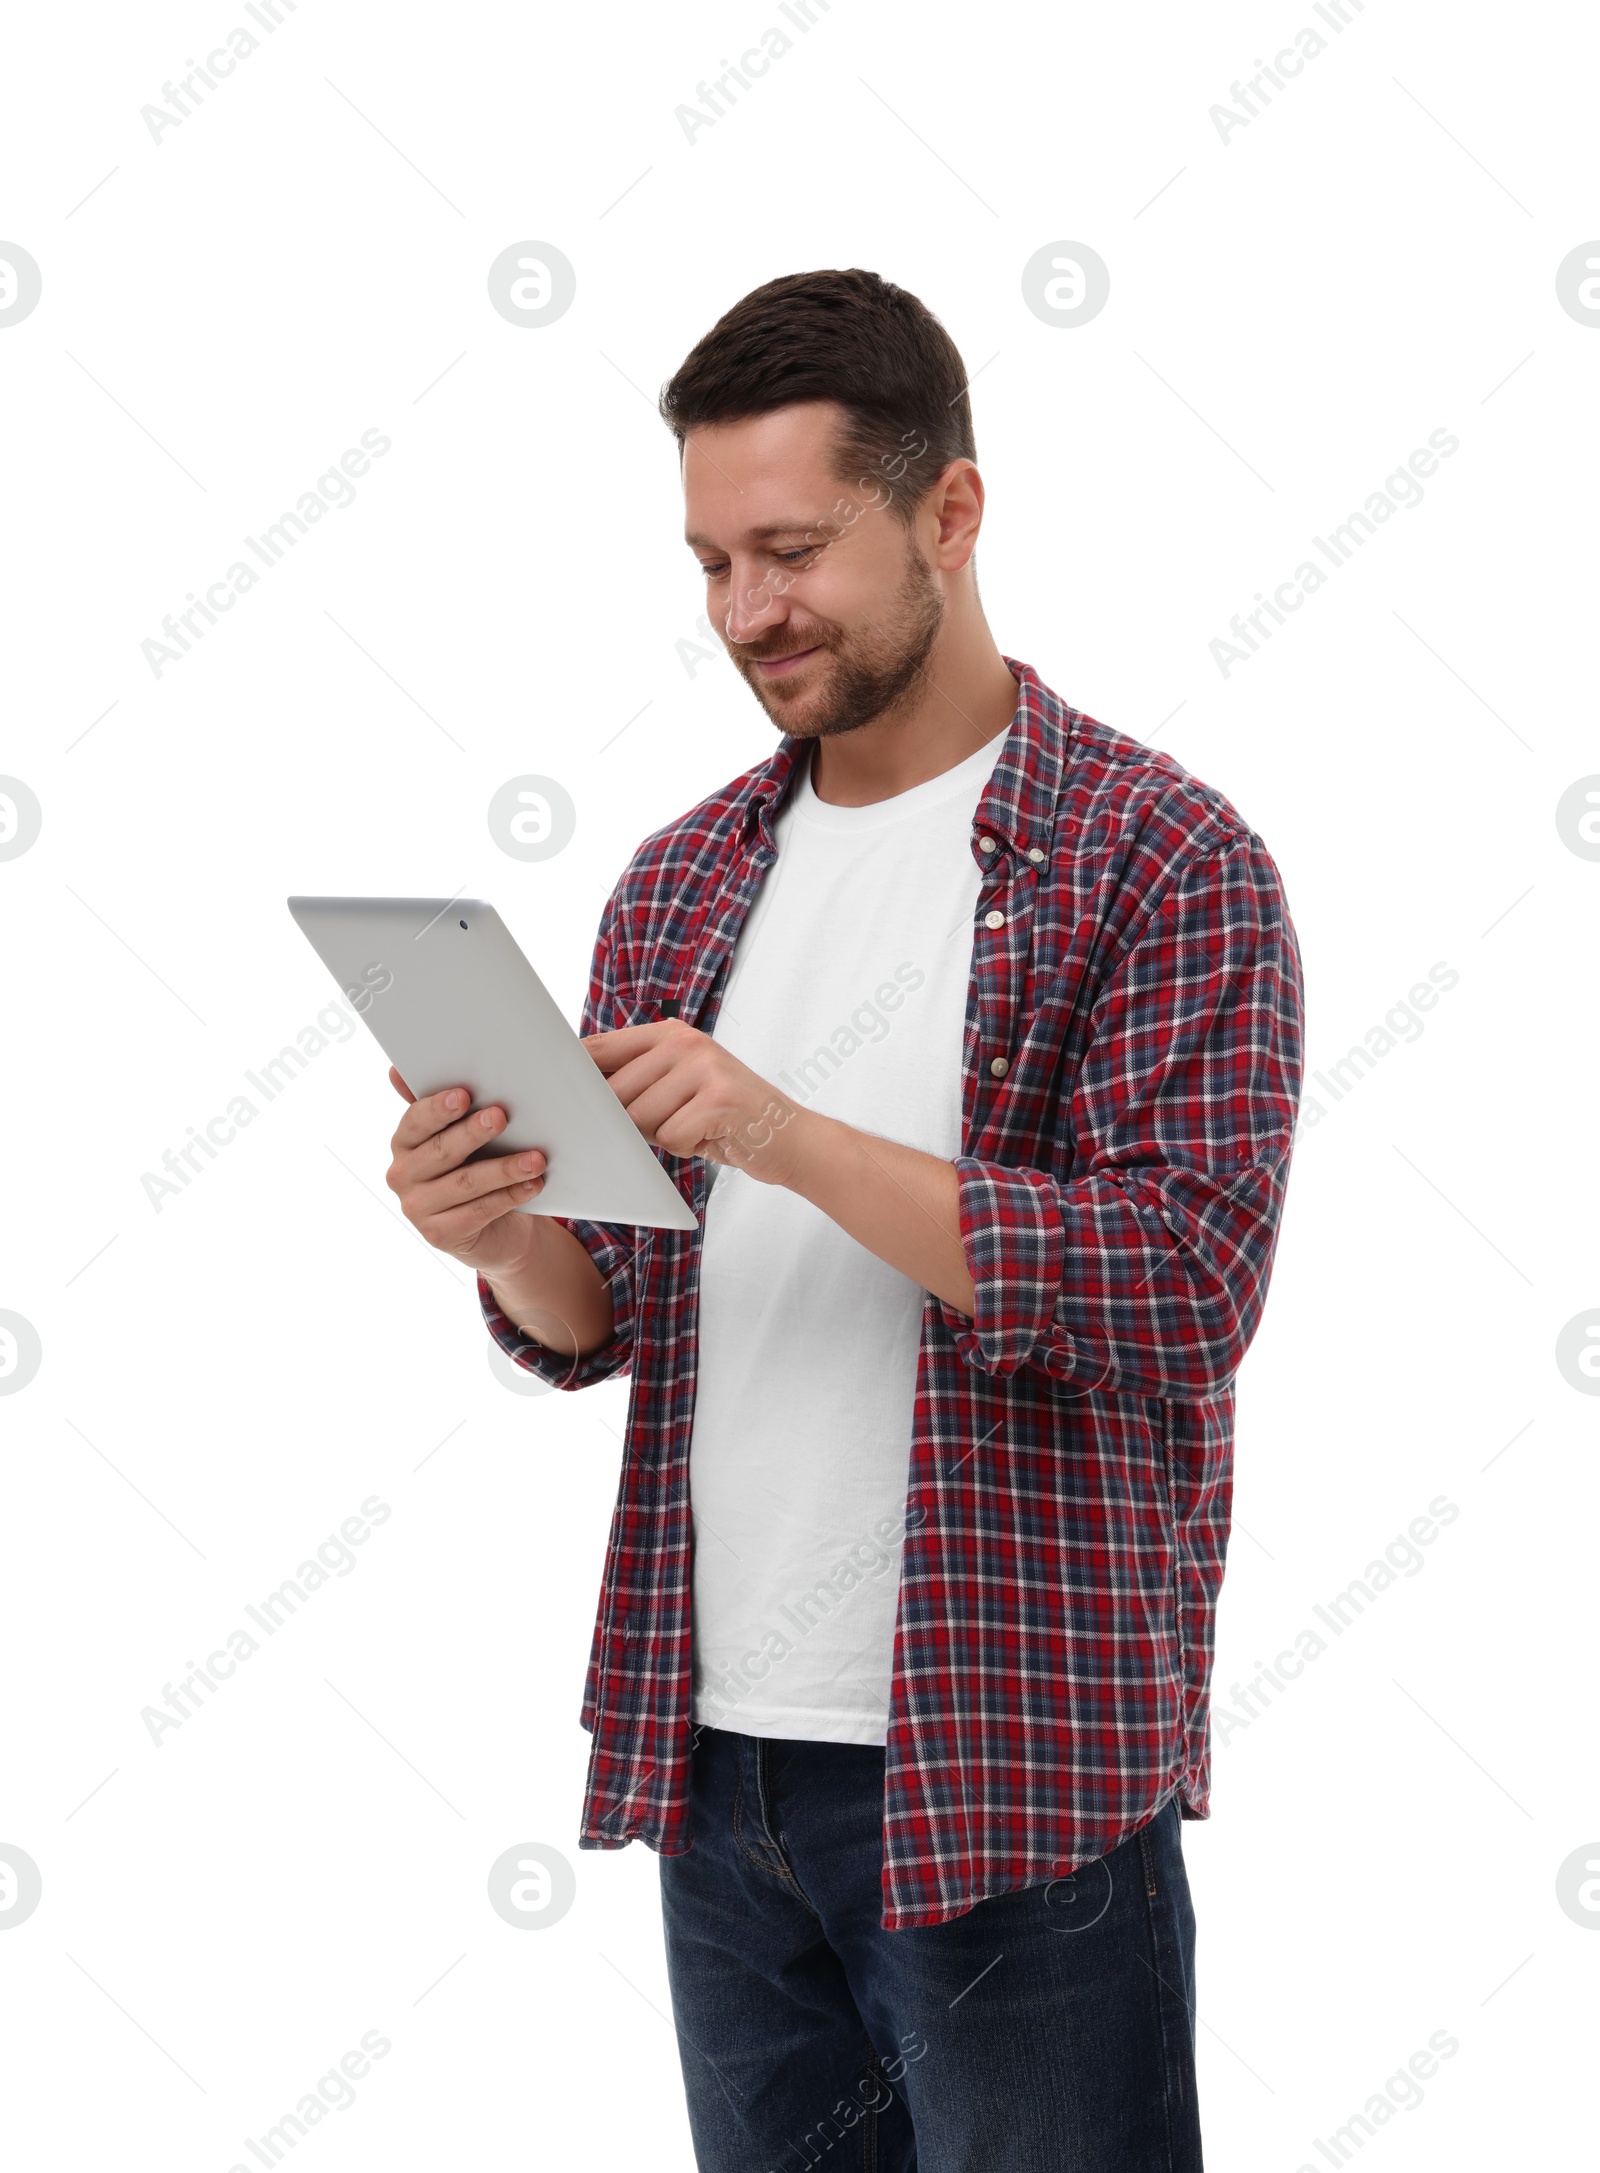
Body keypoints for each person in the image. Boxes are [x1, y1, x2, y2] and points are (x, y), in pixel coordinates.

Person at [385, 268, 1305, 2171]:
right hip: (719, 1768)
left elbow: (1181, 1282)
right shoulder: (682, 877)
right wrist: (490, 1230)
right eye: (714, 562)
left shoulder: (1162, 856)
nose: (747, 613)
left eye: (792, 550)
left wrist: (788, 1133)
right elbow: (608, 1308)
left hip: (1016, 1770)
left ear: (951, 516)